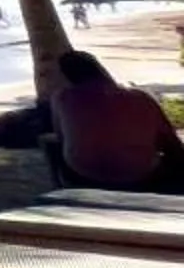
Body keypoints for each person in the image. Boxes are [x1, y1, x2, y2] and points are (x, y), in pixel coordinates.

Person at [46, 51, 184, 193]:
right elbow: (171, 142)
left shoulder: (62, 98)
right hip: (140, 174)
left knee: (50, 143)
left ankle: (61, 188)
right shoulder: (140, 98)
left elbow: (61, 137)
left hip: (84, 175)